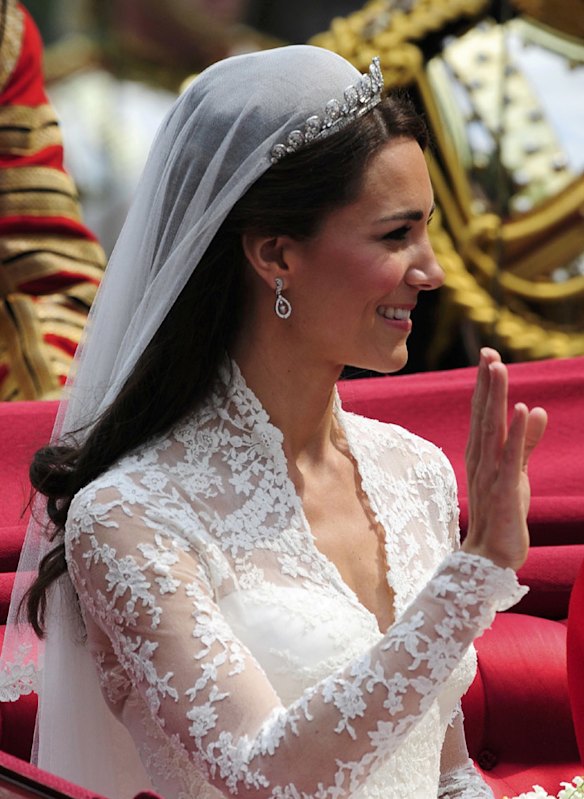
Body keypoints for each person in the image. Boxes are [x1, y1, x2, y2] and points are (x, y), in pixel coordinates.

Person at [0, 45, 547, 798]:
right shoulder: (128, 516)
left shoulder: (416, 470)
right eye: (396, 235)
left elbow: (445, 770)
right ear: (274, 255)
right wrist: (473, 576)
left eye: (427, 231)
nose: (432, 270)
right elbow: (264, 775)